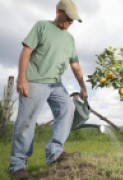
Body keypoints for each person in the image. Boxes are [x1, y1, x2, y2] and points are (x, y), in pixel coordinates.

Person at [9, 0, 88, 178]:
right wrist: (22, 78)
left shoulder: (70, 39)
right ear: (58, 11)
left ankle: (55, 153)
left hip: (56, 83)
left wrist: (83, 87)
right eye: (68, 18)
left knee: (67, 108)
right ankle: (17, 165)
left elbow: (75, 66)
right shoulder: (42, 26)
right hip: (35, 81)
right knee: (26, 122)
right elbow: (26, 52)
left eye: (73, 20)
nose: (70, 23)